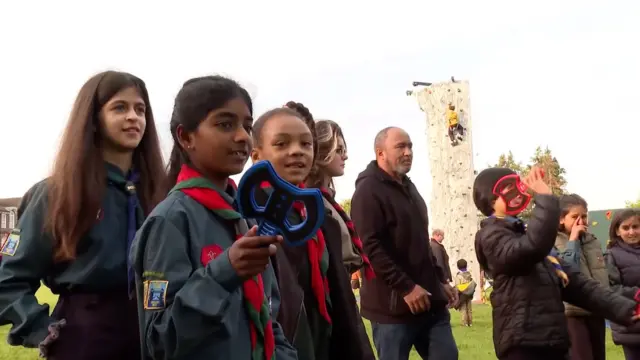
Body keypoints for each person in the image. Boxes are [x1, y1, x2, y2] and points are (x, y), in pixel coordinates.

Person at [0, 71, 166, 359]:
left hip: (152, 336)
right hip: (83, 340)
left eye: (140, 110)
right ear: (92, 119)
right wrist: (44, 330)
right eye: (119, 107)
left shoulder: (161, 194)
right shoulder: (57, 193)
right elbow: (9, 281)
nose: (133, 117)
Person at [129, 76, 297, 360]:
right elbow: (158, 339)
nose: (244, 136)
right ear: (185, 137)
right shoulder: (169, 222)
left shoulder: (244, 218)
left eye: (247, 125)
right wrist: (224, 273)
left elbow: (267, 316)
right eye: (225, 124)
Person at [473, 166, 640, 360]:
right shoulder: (491, 236)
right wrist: (545, 198)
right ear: (491, 199)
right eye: (509, 187)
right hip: (523, 344)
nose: (519, 191)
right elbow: (531, 249)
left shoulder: (529, 240)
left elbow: (579, 285)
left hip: (552, 341)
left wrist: (629, 309)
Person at [250, 102, 374, 360]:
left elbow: (340, 301)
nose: (296, 152)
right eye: (282, 144)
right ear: (256, 156)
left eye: (306, 144)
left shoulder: (318, 217)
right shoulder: (249, 218)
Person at [350, 126, 459, 360]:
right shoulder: (367, 191)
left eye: (410, 146)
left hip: (431, 305)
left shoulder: (409, 186)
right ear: (380, 153)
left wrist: (440, 279)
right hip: (392, 310)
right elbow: (369, 248)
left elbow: (421, 240)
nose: (408, 152)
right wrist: (406, 287)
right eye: (400, 146)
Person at [304, 119, 374, 278]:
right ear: (321, 152)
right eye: (339, 150)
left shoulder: (328, 199)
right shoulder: (311, 200)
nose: (346, 156)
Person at [554, 194, 609, 360]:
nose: (581, 221)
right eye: (575, 217)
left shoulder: (592, 241)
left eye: (584, 216)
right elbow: (568, 270)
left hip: (596, 309)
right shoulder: (553, 242)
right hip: (572, 312)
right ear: (561, 219)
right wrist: (573, 240)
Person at [605, 209, 640, 360]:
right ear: (617, 231)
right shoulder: (611, 255)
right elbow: (610, 288)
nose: (631, 232)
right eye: (626, 228)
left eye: (636, 226)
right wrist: (636, 293)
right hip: (631, 324)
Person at [454, 259, 474, 327]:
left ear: (458, 267)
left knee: (463, 309)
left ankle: (464, 323)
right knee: (469, 308)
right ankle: (470, 322)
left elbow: (457, 286)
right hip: (469, 293)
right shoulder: (469, 274)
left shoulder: (458, 276)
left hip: (462, 294)